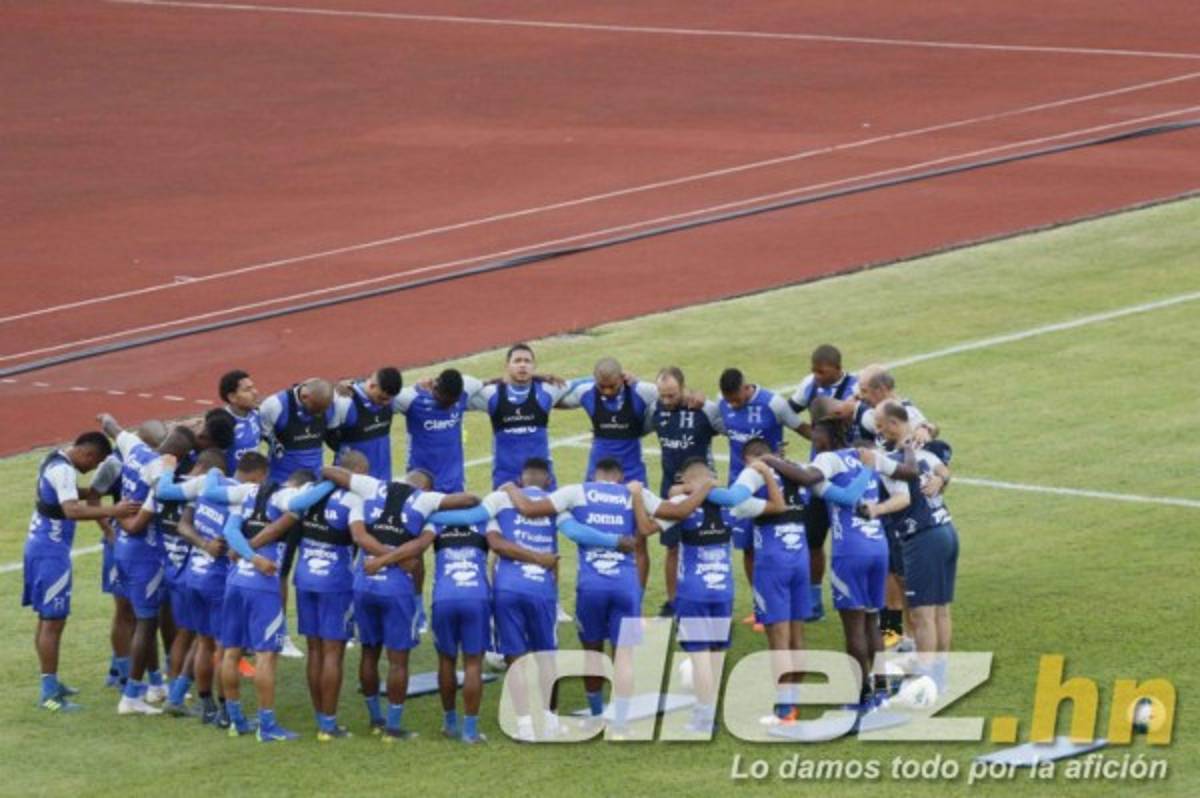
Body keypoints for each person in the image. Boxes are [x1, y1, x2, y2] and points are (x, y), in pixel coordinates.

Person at [423, 457, 634, 741]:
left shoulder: (500, 499)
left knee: (515, 659)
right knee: (547, 659)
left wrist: (424, 515)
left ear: (521, 479)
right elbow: (575, 532)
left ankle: (523, 724)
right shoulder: (554, 503)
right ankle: (549, 721)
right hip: (541, 591)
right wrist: (615, 541)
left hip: (507, 590)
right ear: (548, 480)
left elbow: (471, 521)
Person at [502, 458, 705, 736]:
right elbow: (678, 510)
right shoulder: (634, 492)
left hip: (591, 587)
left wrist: (511, 489)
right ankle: (620, 723)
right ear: (619, 477)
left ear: (593, 476)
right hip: (626, 586)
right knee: (624, 657)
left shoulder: (577, 491)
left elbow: (529, 508)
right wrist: (706, 488)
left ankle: (596, 716)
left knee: (592, 654)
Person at [319, 462, 478, 741]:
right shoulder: (425, 500)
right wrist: (393, 559)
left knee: (369, 653)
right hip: (396, 588)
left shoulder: (372, 486)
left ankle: (375, 719)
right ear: (427, 488)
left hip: (364, 583)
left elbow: (328, 471)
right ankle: (392, 727)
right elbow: (469, 500)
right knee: (398, 661)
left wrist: (378, 559)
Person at [759, 420, 892, 711]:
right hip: (878, 546)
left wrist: (771, 461)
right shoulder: (864, 456)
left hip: (850, 552)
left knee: (854, 628)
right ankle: (881, 692)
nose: (812, 437)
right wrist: (785, 463)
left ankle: (861, 698)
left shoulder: (828, 460)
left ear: (827, 435)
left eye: (816, 431)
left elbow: (809, 479)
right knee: (872, 622)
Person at [24, 432, 136, 712]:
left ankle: (50, 682)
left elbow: (70, 493)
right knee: (53, 621)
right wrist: (115, 509)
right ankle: (49, 695)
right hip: (51, 552)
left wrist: (99, 491)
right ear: (87, 454)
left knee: (46, 619)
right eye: (95, 462)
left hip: (39, 544)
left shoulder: (53, 459)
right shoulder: (63, 470)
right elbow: (72, 509)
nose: (93, 468)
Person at [99, 417, 199, 715]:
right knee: (145, 623)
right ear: (178, 456)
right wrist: (121, 516)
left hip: (126, 551)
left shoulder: (134, 448)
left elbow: (112, 426)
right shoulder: (159, 475)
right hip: (144, 553)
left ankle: (155, 684)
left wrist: (106, 419)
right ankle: (131, 696)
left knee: (148, 617)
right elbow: (136, 525)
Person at [208, 455, 309, 742]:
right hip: (263, 583)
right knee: (266, 655)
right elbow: (276, 527)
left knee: (231, 651)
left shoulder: (247, 494)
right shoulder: (289, 502)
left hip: (235, 580)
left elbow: (230, 529)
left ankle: (236, 720)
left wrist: (245, 553)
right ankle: (267, 726)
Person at [860, 401, 958, 694]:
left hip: (922, 538)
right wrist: (941, 478)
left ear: (894, 424)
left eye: (880, 425)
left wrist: (876, 509)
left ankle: (927, 681)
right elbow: (944, 471)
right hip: (946, 530)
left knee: (921, 615)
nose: (878, 431)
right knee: (941, 610)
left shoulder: (893, 462)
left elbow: (902, 499)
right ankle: (940, 675)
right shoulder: (923, 452)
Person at [632, 457, 731, 735]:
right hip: (724, 589)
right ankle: (711, 706)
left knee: (699, 656)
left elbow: (645, 529)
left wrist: (637, 496)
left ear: (687, 481)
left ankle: (704, 716)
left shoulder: (680, 504)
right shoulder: (730, 502)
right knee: (716, 653)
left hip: (693, 592)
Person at [717, 368, 804, 627]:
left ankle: (787, 606)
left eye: (737, 399)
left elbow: (801, 427)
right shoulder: (721, 403)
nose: (733, 405)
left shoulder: (773, 404)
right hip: (739, 484)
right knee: (747, 547)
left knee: (773, 546)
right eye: (729, 401)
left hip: (770, 485)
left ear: (746, 388)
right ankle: (760, 607)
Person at [650, 366, 723, 618]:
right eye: (662, 395)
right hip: (669, 488)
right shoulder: (654, 409)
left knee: (706, 547)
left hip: (702, 489)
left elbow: (734, 430)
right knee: (672, 547)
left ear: (683, 388)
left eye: (671, 395)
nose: (666, 400)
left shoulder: (705, 409)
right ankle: (673, 603)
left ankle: (710, 601)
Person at [469, 344, 569, 489]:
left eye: (527, 361)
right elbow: (457, 389)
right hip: (505, 482)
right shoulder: (492, 394)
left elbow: (588, 383)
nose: (522, 365)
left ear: (534, 366)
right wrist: (486, 381)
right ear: (507, 366)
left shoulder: (549, 390)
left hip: (542, 481)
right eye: (517, 361)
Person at [396, 369, 484, 493]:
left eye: (453, 402)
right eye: (445, 400)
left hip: (454, 485)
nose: (449, 405)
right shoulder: (412, 398)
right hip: (421, 485)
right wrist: (415, 387)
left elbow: (484, 383)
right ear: (435, 388)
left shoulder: (466, 388)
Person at [327, 367, 404, 481]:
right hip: (352, 481)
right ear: (372, 386)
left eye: (390, 399)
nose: (386, 403)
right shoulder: (345, 402)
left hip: (382, 482)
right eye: (382, 398)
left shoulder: (391, 400)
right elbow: (327, 433)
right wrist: (344, 452)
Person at [259, 378, 341, 484]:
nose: (318, 414)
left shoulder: (334, 403)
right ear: (304, 397)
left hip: (314, 478)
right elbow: (263, 435)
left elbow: (333, 437)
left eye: (323, 410)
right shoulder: (274, 405)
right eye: (315, 409)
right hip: (281, 479)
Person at [217, 369, 263, 476]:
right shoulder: (221, 424)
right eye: (247, 390)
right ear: (232, 397)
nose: (255, 392)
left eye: (253, 387)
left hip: (257, 481)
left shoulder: (259, 415)